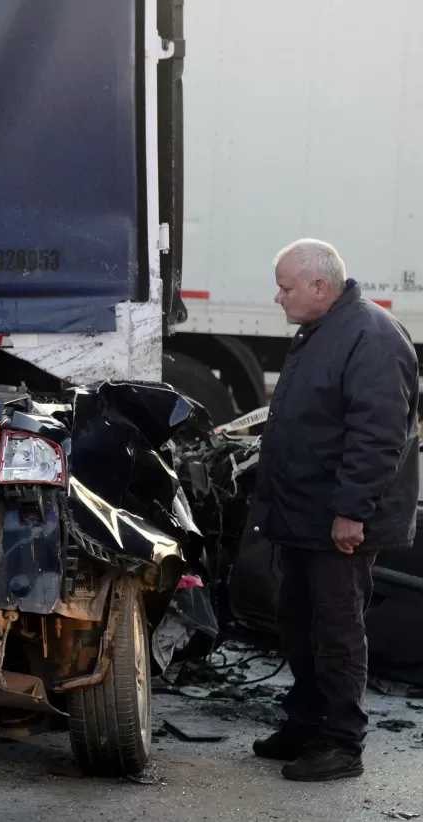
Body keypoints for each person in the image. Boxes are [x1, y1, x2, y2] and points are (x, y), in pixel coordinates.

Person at [252, 238, 418, 781]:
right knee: (297, 622)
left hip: (339, 522)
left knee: (338, 629)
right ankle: (307, 722)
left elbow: (378, 437)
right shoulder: (322, 330)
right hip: (303, 515)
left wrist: (351, 512)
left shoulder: (370, 336)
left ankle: (343, 743)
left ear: (320, 287)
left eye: (285, 286)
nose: (277, 297)